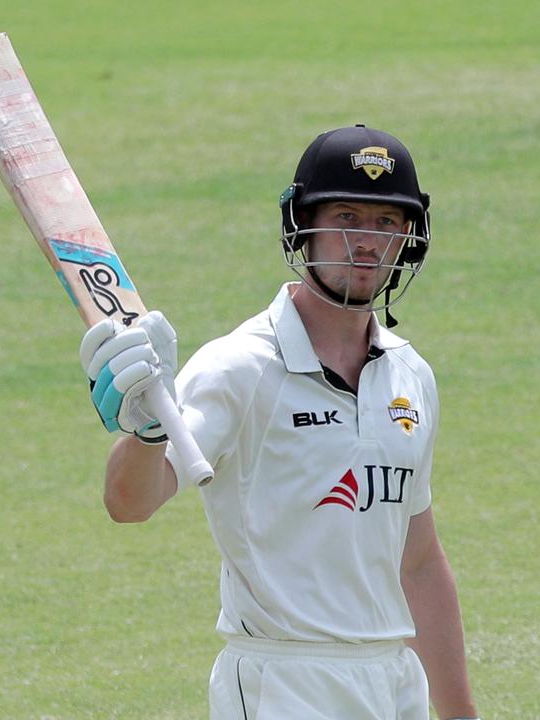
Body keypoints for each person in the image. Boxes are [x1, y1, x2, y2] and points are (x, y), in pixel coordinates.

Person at [79, 125, 480, 719]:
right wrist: (146, 431)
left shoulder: (409, 375)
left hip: (394, 681)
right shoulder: (239, 367)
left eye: (386, 223)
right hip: (282, 683)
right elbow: (129, 502)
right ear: (303, 225)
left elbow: (417, 561)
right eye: (346, 217)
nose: (365, 242)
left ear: (408, 239)